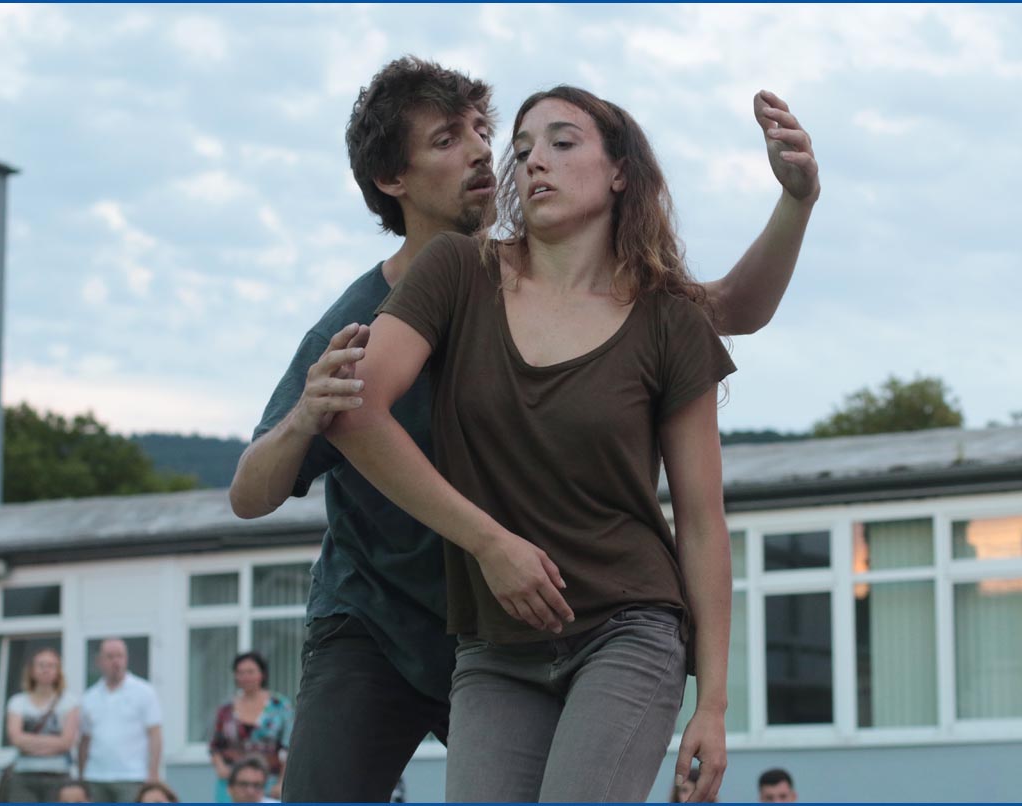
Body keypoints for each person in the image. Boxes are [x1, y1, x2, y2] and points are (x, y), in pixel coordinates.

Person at [229, 56, 818, 803]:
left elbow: (728, 310)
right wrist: (306, 419)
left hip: (546, 609)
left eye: (485, 131)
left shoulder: (615, 297)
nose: (489, 152)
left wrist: (796, 198)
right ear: (392, 178)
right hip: (390, 618)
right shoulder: (393, 305)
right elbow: (255, 488)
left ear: (619, 173)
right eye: (450, 139)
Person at [326, 83, 735, 801]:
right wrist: (488, 543)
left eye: (561, 142)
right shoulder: (458, 272)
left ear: (620, 171)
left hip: (628, 628)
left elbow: (701, 523)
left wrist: (715, 704)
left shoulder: (669, 318)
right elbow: (354, 413)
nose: (532, 161)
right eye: (520, 151)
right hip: (495, 645)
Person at [78, 638, 163, 803]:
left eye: (120, 656)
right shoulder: (89, 697)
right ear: (99, 661)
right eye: (110, 656)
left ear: (126, 659)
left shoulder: (144, 692)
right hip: (96, 777)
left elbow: (155, 734)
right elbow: (85, 740)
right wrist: (82, 774)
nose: (116, 661)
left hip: (132, 777)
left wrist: (153, 773)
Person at [208, 651, 293, 802]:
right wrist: (220, 767)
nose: (245, 677)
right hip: (231, 784)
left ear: (262, 674)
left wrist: (282, 782)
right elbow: (215, 746)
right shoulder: (226, 708)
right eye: (240, 673)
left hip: (268, 784)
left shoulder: (280, 706)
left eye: (250, 672)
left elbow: (289, 748)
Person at [4, 648, 80, 803]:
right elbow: (15, 738)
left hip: (58, 776)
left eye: (51, 665)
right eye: (41, 665)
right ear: (31, 670)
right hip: (23, 776)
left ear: (58, 671)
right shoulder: (17, 702)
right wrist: (53, 744)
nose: (46, 669)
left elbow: (66, 742)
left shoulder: (70, 702)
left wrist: (29, 743)